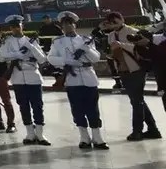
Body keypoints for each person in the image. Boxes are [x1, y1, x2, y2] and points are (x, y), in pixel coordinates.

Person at [47, 11, 108, 149]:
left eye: (70, 24)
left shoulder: (85, 39)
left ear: (75, 25)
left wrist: (86, 49)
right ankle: (84, 137)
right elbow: (51, 58)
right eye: (65, 25)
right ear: (61, 27)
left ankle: (97, 137)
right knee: (77, 110)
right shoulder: (58, 42)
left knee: (93, 109)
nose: (68, 27)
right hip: (72, 79)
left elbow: (96, 58)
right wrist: (67, 61)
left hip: (88, 77)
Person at [104, 11, 161, 141]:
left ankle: (137, 131)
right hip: (123, 70)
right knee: (137, 100)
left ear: (122, 19)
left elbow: (142, 49)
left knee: (136, 101)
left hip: (137, 69)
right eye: (110, 22)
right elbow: (111, 52)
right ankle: (153, 129)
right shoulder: (111, 35)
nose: (113, 24)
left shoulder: (133, 31)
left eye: (115, 21)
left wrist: (122, 45)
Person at [0, 15, 50, 146]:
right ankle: (29, 134)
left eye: (18, 26)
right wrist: (17, 55)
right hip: (18, 78)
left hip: (33, 76)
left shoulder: (30, 41)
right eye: (13, 26)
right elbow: (1, 57)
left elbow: (42, 59)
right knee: (24, 106)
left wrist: (31, 47)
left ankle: (40, 134)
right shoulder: (7, 42)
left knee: (37, 106)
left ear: (22, 26)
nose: (15, 28)